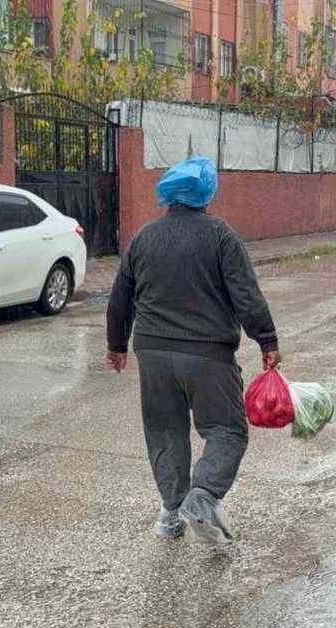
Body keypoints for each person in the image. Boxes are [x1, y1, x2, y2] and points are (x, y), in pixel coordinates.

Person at [105, 157, 281, 545]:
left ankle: (171, 515)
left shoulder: (144, 237)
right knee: (227, 430)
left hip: (152, 352)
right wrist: (266, 340)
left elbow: (120, 298)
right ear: (206, 193)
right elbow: (245, 295)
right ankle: (201, 497)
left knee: (164, 430)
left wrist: (116, 345)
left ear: (168, 194)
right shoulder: (220, 235)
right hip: (207, 354)